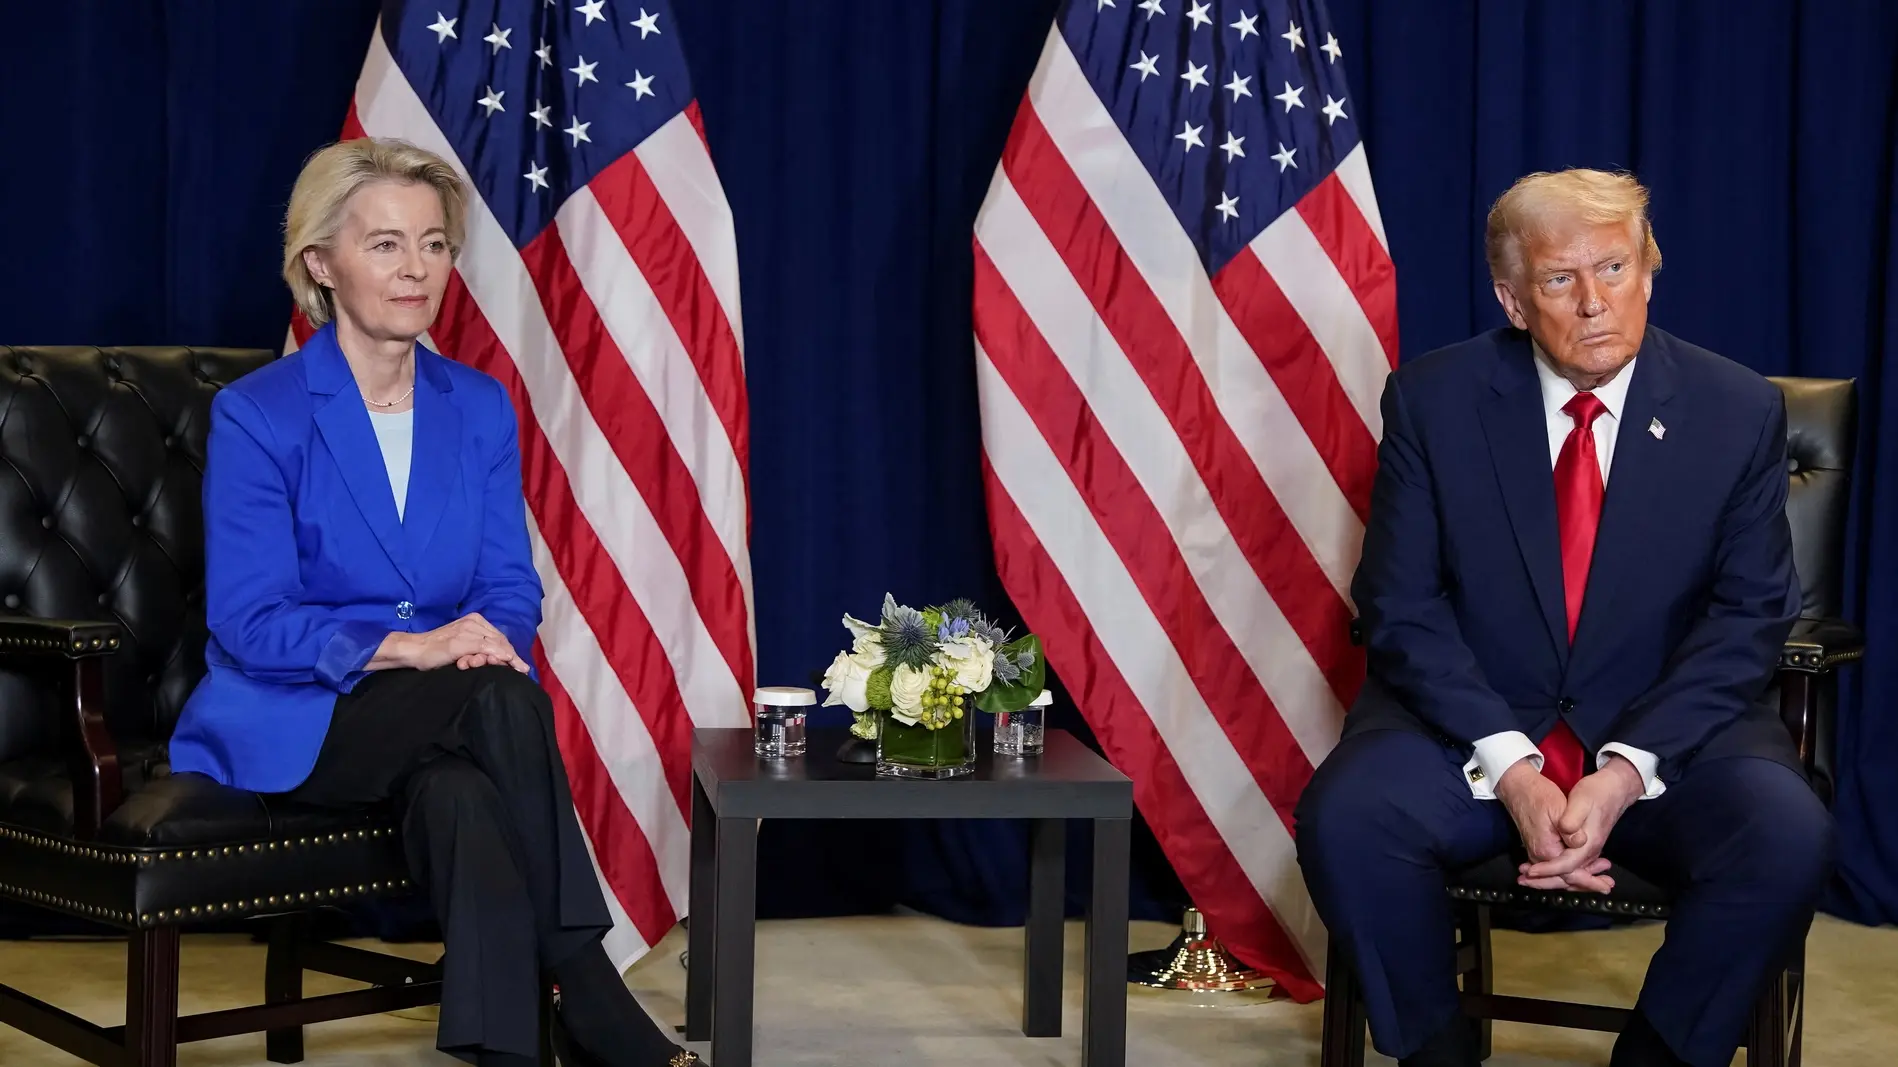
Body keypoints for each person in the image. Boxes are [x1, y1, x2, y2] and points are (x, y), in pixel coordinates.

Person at [166, 137, 697, 1067]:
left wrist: (488, 639)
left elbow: (507, 585)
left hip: (445, 714)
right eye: (384, 245)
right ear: (320, 264)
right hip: (300, 713)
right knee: (494, 701)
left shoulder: (480, 406)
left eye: (434, 244)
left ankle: (507, 1050)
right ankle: (588, 987)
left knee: (462, 797)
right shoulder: (259, 414)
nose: (415, 268)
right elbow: (248, 622)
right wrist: (416, 650)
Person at [1294, 169, 1834, 1067]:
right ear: (1512, 299)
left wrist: (1623, 771)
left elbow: (1749, 616)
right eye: (1559, 280)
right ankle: (1437, 1054)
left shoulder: (1736, 410)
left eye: (1615, 268)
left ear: (1650, 271)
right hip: (1468, 734)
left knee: (1785, 833)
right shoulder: (1434, 400)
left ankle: (1656, 1057)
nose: (1594, 302)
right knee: (1349, 817)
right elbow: (1399, 603)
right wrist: (1511, 763)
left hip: (1667, 739)